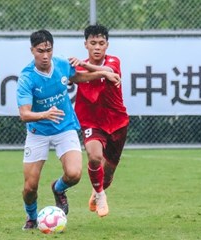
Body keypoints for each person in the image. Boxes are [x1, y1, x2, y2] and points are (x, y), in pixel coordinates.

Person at [17, 29, 121, 230]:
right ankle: (31, 217)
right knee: (30, 187)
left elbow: (78, 78)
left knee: (74, 174)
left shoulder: (62, 64)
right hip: (38, 133)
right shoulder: (27, 77)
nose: (45, 55)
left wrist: (102, 73)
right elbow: (24, 114)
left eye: (48, 50)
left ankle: (58, 189)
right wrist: (44, 115)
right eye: (40, 51)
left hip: (64, 128)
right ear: (32, 51)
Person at [70, 24, 129, 217]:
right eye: (93, 43)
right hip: (91, 121)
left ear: (107, 45)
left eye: (101, 43)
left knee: (109, 171)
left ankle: (97, 191)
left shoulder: (113, 61)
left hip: (117, 122)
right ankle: (101, 195)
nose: (97, 47)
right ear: (85, 44)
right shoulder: (78, 68)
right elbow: (75, 78)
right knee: (94, 157)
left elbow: (106, 69)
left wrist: (88, 66)